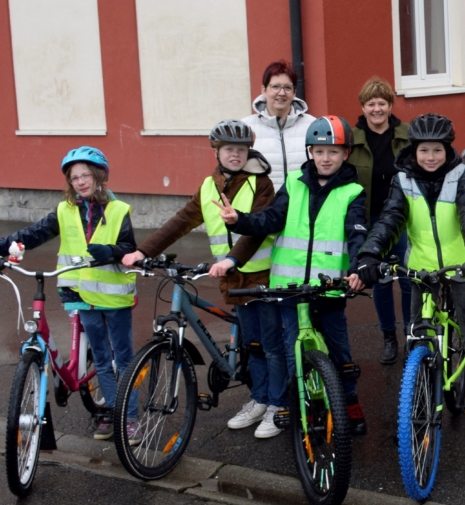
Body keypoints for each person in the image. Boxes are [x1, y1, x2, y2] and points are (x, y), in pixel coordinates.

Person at [121, 120, 286, 438]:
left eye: (240, 149)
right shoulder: (209, 186)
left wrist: (231, 259)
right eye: (229, 149)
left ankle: (277, 405)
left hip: (261, 275)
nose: (235, 155)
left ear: (248, 151)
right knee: (252, 344)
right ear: (217, 151)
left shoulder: (260, 183)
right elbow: (181, 221)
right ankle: (259, 399)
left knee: (271, 345)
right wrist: (143, 251)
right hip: (233, 279)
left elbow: (259, 230)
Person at [354, 114, 465, 443]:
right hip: (420, 268)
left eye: (437, 150)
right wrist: (370, 254)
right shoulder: (403, 179)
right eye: (424, 150)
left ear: (447, 149)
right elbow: (391, 218)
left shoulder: (459, 175)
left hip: (461, 266)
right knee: (416, 337)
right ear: (414, 150)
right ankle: (415, 407)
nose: (431, 157)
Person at [0, 147, 138, 441]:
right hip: (81, 295)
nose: (81, 182)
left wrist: (111, 251)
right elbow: (32, 234)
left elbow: (129, 249)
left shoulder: (118, 210)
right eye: (75, 178)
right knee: (100, 358)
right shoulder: (65, 210)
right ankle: (115, 412)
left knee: (123, 359)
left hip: (114, 298)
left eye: (86, 175)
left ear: (100, 176)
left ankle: (131, 418)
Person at [220, 115, 369, 435]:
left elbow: (357, 233)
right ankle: (298, 404)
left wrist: (358, 267)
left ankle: (350, 400)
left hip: (328, 289)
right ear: (310, 153)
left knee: (339, 351)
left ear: (345, 154)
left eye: (333, 152)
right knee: (292, 352)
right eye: (319, 151)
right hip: (289, 290)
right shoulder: (293, 185)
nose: (325, 158)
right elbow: (270, 220)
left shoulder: (353, 191)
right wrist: (239, 220)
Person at [346, 76, 412, 365]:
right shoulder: (353, 139)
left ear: (390, 105)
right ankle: (389, 337)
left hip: (403, 219)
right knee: (381, 281)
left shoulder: (406, 135)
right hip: (370, 219)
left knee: (410, 279)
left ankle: (412, 334)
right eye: (371, 104)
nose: (376, 109)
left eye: (381, 103)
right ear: (363, 106)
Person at [243, 60, 316, 189]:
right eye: (275, 87)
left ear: (294, 92)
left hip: (302, 205)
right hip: (263, 206)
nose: (281, 93)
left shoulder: (312, 125)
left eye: (287, 87)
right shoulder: (246, 127)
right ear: (264, 90)